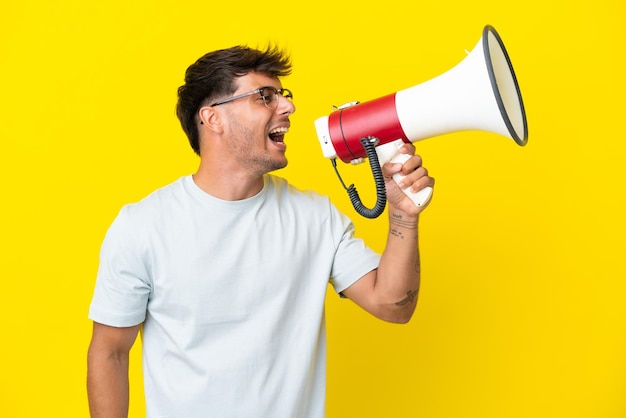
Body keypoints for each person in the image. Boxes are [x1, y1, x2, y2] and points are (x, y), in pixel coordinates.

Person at [87, 45, 434, 418]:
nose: (287, 108)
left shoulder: (315, 217)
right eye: (265, 97)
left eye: (283, 95)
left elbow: (392, 305)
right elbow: (110, 351)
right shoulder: (143, 226)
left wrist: (403, 217)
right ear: (213, 118)